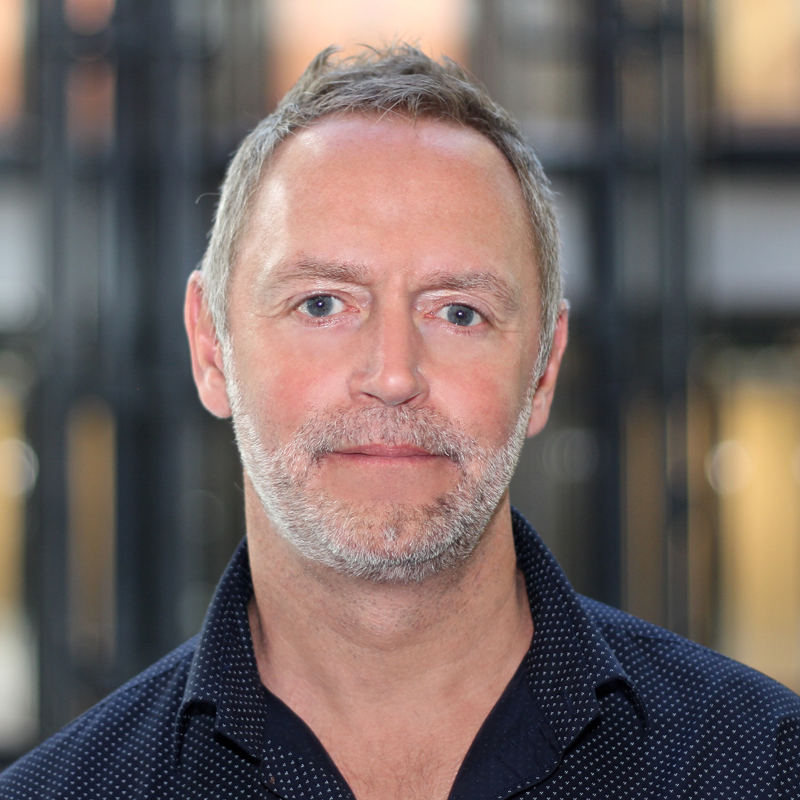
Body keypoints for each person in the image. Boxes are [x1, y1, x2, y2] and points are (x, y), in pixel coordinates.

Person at [2, 44, 798, 800]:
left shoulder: (764, 766)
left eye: (459, 311)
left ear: (544, 367)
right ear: (211, 347)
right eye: (322, 304)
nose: (392, 375)